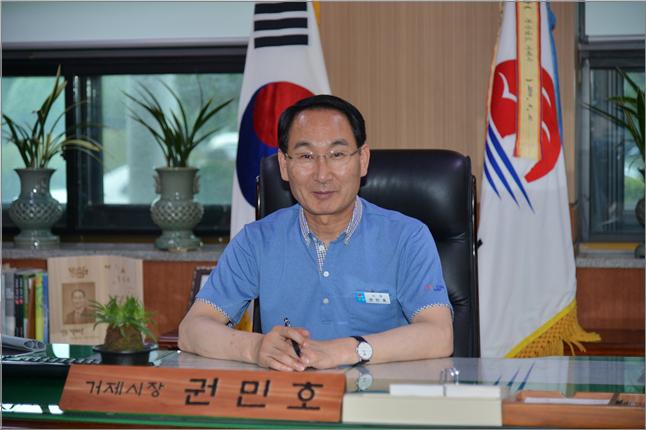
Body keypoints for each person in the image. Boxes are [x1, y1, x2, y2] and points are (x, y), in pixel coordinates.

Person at [179, 95, 453, 371]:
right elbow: (192, 329)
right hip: (290, 393)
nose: (322, 175)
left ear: (363, 160)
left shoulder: (408, 237)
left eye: (337, 155)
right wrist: (255, 347)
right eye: (306, 156)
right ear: (284, 165)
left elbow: (439, 335)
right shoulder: (256, 241)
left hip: (378, 395)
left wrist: (349, 349)